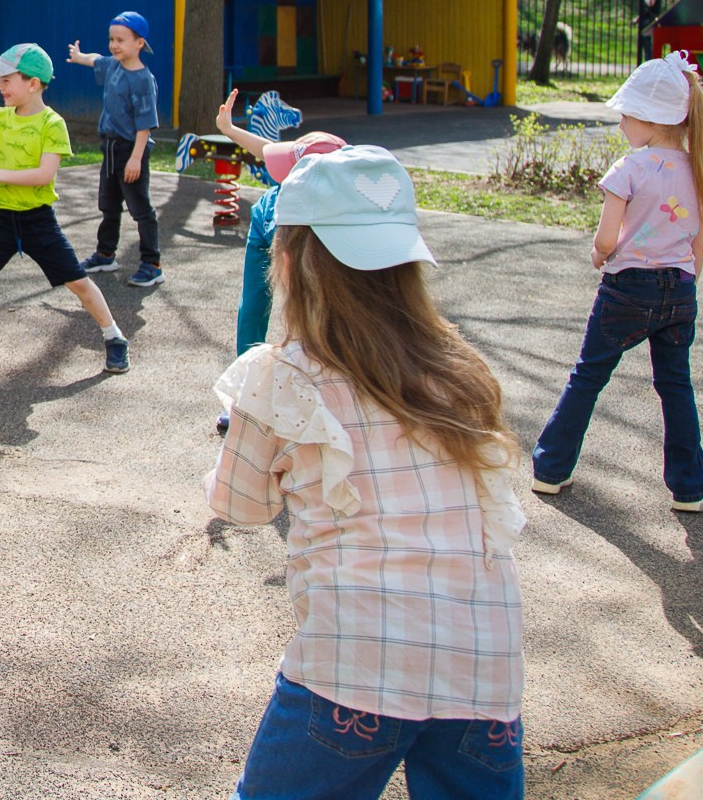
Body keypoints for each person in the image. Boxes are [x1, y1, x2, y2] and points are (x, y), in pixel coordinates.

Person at [208, 145, 527, 798]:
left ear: (288, 263)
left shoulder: (282, 375)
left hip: (353, 665)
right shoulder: (458, 372)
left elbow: (240, 504)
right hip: (484, 666)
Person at [532, 52, 703, 510]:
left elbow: (606, 239)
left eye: (626, 114)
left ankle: (551, 469)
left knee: (588, 376)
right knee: (675, 385)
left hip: (627, 290)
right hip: (679, 289)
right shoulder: (697, 169)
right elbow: (698, 244)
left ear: (652, 119)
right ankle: (690, 488)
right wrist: (685, 286)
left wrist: (599, 254)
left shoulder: (629, 169)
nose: (621, 122)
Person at [0, 44, 130, 373]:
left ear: (33, 84)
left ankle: (114, 338)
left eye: (6, 80)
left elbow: (44, 175)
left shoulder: (52, 124)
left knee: (78, 282)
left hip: (37, 219)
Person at [213, 88, 346, 431]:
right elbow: (267, 150)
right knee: (257, 308)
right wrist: (229, 129)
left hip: (293, 234)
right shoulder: (308, 187)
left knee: (310, 310)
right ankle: (246, 394)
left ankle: (319, 390)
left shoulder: (329, 196)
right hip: (268, 230)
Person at [66, 11, 162, 287]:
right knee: (108, 205)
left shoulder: (143, 80)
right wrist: (79, 57)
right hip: (109, 147)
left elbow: (145, 125)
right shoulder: (113, 65)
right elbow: (96, 59)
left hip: (131, 149)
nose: (114, 45)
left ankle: (152, 264)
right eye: (111, 39)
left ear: (139, 43)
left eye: (121, 40)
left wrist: (135, 159)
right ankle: (105, 254)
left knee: (140, 208)